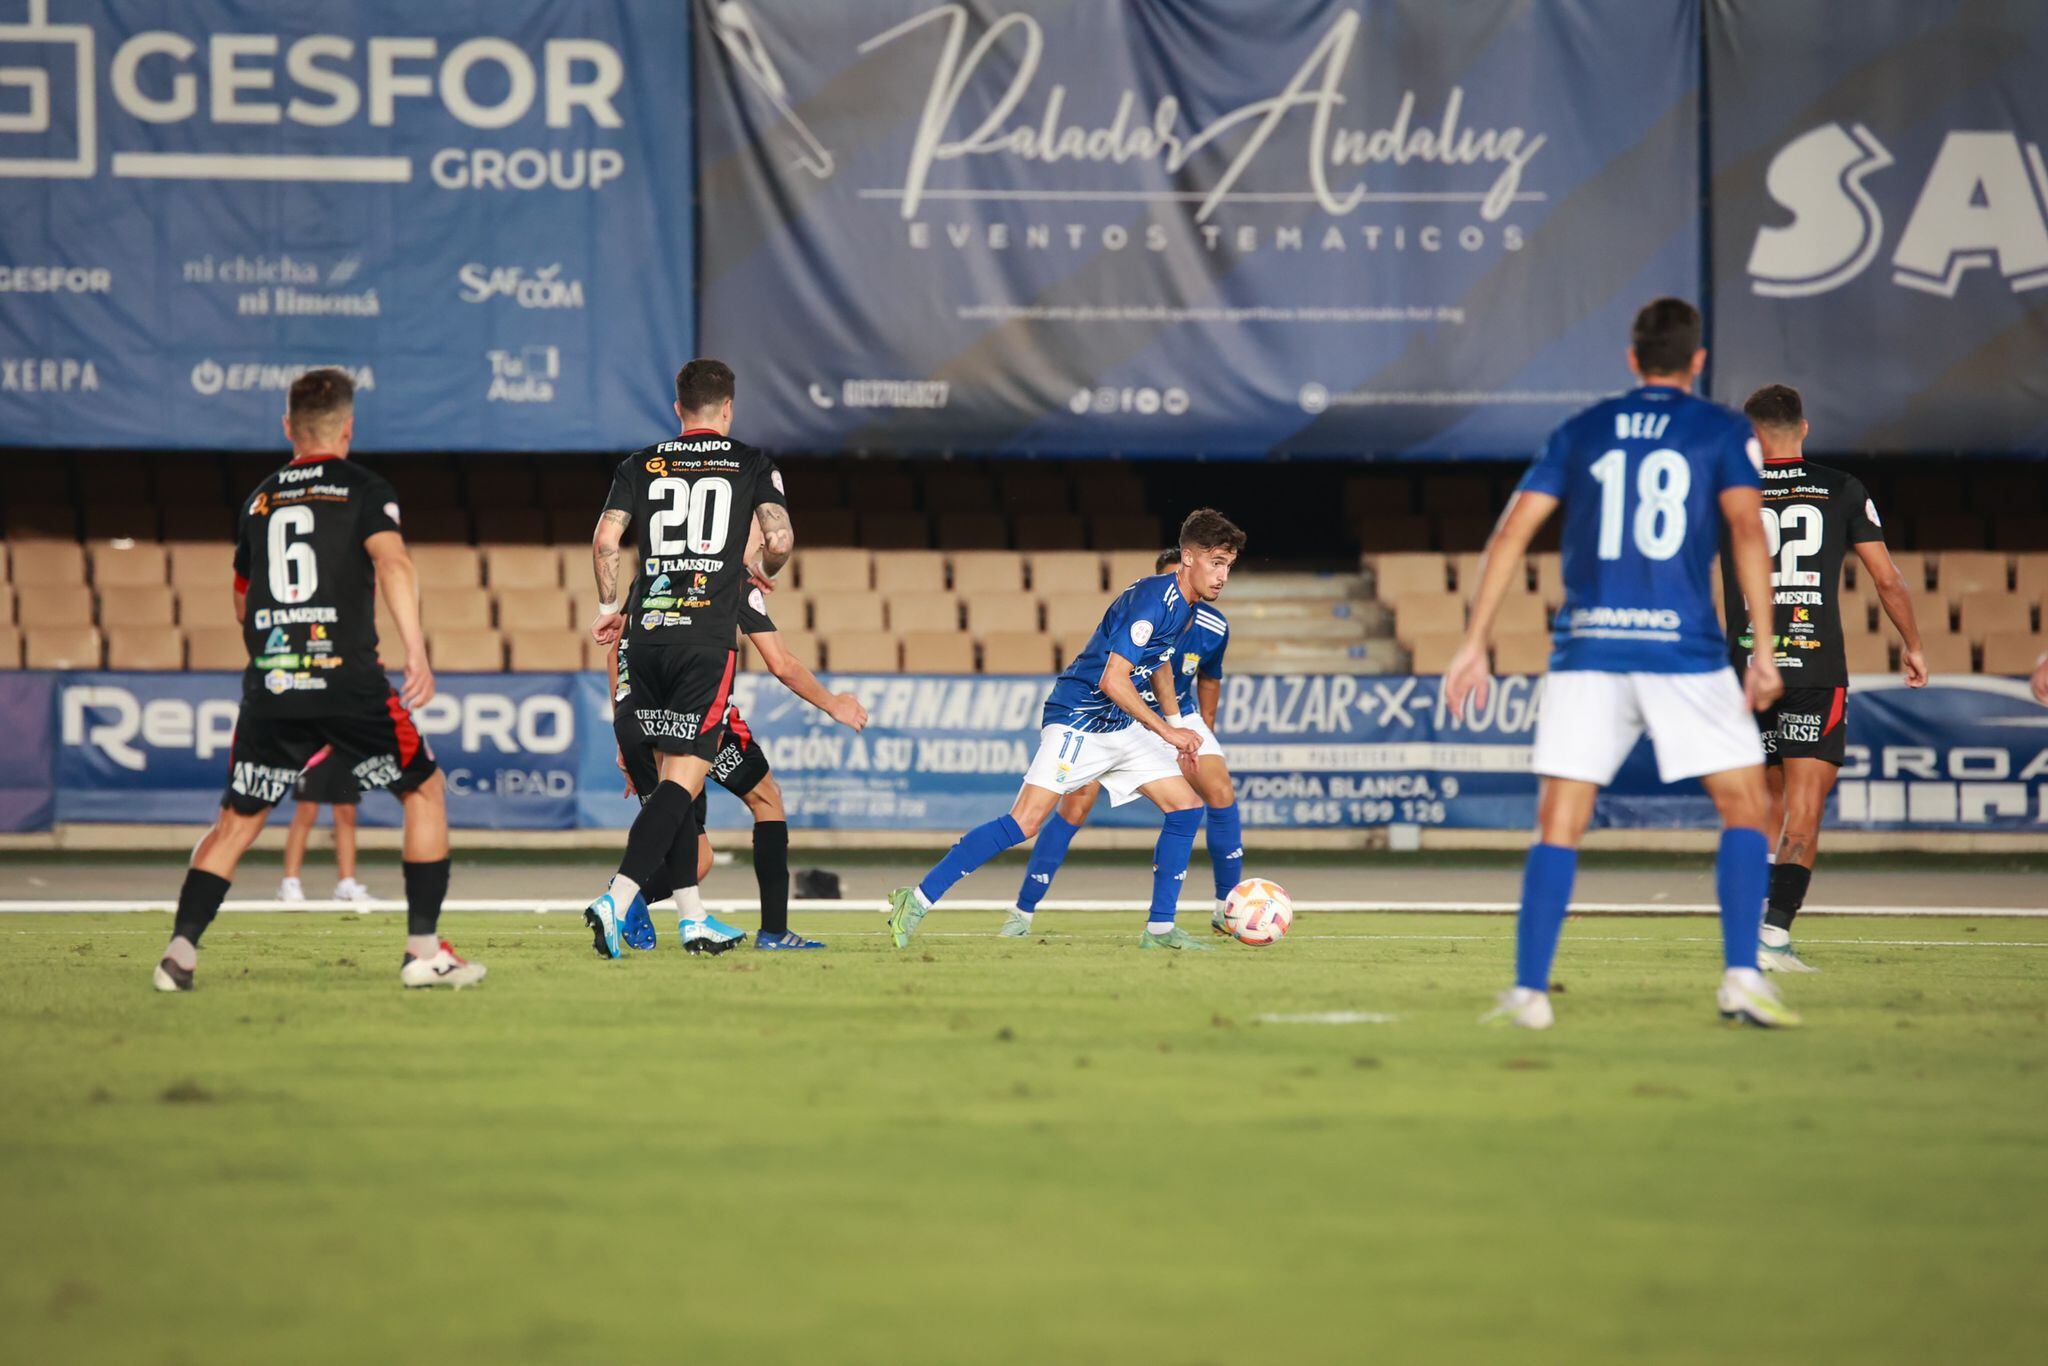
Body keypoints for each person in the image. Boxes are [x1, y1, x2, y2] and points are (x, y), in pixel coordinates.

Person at [1444, 297, 1792, 1030]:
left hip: (1590, 650)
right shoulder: (1724, 430)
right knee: (1747, 807)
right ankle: (1740, 978)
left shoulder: (1582, 428)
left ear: (1632, 359)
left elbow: (1513, 531)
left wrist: (1474, 642)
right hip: (1686, 651)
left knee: (1560, 820)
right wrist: (1760, 646)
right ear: (1697, 362)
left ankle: (1529, 993)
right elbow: (1746, 533)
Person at [153, 368, 481, 991]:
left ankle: (179, 955)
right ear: (348, 428)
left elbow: (243, 603)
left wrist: (277, 656)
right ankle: (421, 952)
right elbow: (394, 561)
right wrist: (417, 649)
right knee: (425, 790)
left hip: (272, 684)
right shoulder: (363, 488)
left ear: (288, 428)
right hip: (347, 680)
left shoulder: (259, 497)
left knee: (236, 824)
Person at [885, 509, 1246, 951]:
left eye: (1228, 564)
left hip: (1118, 723)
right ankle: (916, 899)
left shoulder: (1186, 607)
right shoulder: (1156, 601)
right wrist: (1168, 734)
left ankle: (1160, 929)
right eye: (1215, 562)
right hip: (1080, 716)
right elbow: (1112, 679)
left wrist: (1177, 726)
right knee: (1025, 821)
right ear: (1188, 558)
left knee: (1187, 807)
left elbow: (1159, 668)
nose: (1223, 574)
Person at [581, 359, 794, 959]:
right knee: (685, 776)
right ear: (728, 408)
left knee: (675, 786)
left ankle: (692, 919)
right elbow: (777, 540)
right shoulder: (751, 462)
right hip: (704, 639)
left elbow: (605, 541)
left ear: (678, 409)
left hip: (644, 634)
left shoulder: (639, 464)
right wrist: (760, 569)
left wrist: (606, 605)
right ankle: (618, 898)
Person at [1724, 384, 1927, 972]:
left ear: (1752, 434)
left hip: (1748, 665)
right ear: (1804, 428)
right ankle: (1774, 936)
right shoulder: (1841, 488)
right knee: (1804, 810)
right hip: (1815, 668)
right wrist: (1912, 645)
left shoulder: (1729, 493)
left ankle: (1746, 932)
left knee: (1759, 807)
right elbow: (1888, 581)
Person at [608, 586, 868, 951]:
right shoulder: (728, 573)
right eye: (757, 534)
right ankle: (772, 932)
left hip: (644, 714)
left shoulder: (654, 567)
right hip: (704, 714)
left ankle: (627, 897)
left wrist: (624, 727)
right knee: (766, 799)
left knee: (697, 858)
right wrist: (833, 704)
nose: (761, 540)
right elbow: (780, 663)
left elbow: (618, 649)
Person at [1005, 547, 1243, 936]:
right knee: (1076, 805)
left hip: (1177, 714)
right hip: (1119, 714)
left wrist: (1198, 732)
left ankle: (1226, 907)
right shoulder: (1147, 607)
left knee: (1218, 788)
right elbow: (1115, 673)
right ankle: (1023, 911)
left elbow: (1210, 677)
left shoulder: (1213, 626)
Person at [278, 748, 377, 905]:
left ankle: (346, 883)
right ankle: (290, 882)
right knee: (307, 810)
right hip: (316, 748)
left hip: (343, 747)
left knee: (346, 812)